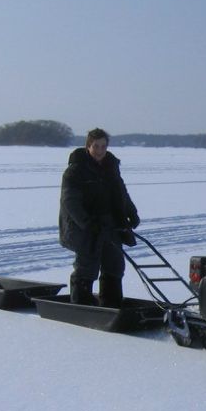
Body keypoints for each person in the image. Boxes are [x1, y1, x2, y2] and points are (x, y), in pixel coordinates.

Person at [58, 128, 141, 307]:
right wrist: (87, 223)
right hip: (85, 227)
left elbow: (121, 193)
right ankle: (81, 305)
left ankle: (111, 304)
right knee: (87, 266)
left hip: (111, 224)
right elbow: (70, 201)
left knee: (114, 265)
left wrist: (131, 212)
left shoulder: (111, 167)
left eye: (103, 146)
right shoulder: (75, 171)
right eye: (96, 146)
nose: (100, 150)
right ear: (88, 146)